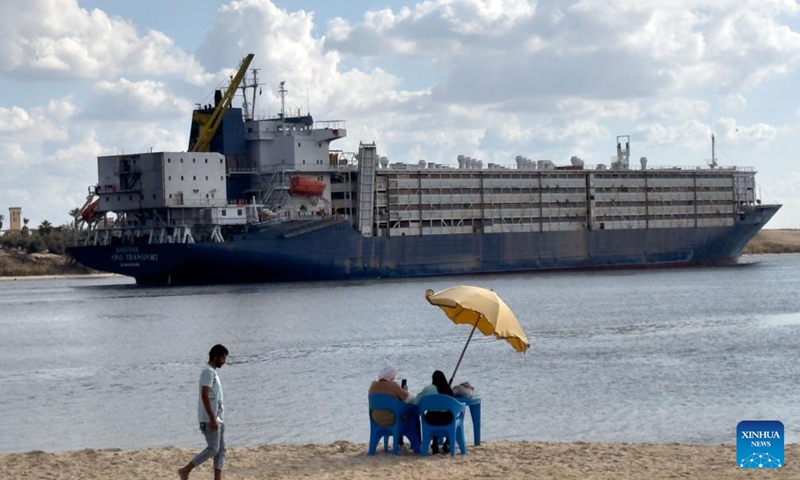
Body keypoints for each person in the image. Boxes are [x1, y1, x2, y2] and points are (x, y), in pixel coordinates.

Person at [179, 344, 229, 480]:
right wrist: (212, 418)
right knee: (213, 448)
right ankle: (185, 470)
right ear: (215, 356)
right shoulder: (208, 372)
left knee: (220, 451)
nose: (224, 361)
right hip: (209, 419)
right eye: (223, 358)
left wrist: (217, 418)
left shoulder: (213, 372)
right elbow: (204, 395)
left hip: (218, 418)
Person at [413, 370, 454, 454]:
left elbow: (416, 401)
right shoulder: (448, 390)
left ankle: (434, 443)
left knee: (432, 414)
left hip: (431, 419)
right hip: (446, 420)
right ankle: (446, 443)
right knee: (452, 415)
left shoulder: (428, 389)